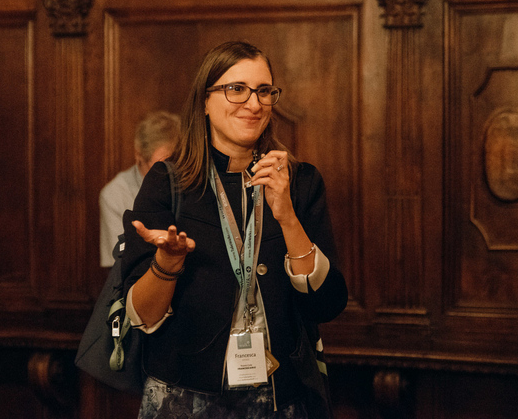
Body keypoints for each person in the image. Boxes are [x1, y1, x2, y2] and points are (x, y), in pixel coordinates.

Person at [121, 41, 348, 418]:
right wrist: (168, 261)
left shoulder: (301, 181)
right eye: (236, 89)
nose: (254, 103)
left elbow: (326, 305)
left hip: (278, 396)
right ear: (205, 102)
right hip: (181, 397)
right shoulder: (169, 182)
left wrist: (287, 216)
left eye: (263, 91)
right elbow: (140, 317)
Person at [99, 110, 181, 267]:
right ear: (139, 156)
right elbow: (118, 263)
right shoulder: (115, 194)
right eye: (161, 165)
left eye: (177, 163)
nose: (171, 172)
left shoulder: (193, 182)